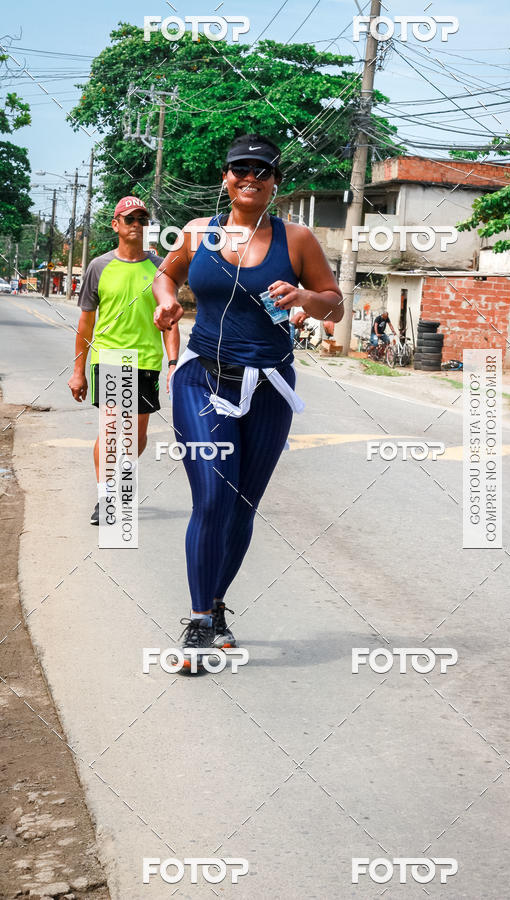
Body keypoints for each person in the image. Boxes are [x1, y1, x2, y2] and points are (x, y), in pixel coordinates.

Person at [152, 133, 343, 672]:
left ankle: (214, 604)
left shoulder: (298, 239)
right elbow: (166, 275)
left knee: (241, 504)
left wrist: (306, 298)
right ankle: (198, 624)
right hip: (202, 379)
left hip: (269, 388)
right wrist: (168, 301)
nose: (250, 177)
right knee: (212, 497)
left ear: (274, 180)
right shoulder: (196, 234)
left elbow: (335, 305)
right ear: (226, 178)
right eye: (240, 169)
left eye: (261, 170)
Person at [67, 196, 180, 525]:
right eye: (129, 219)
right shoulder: (98, 267)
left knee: (136, 436)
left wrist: (174, 364)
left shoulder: (162, 268)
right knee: (113, 427)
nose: (136, 224)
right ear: (115, 225)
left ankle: (115, 481)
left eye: (142, 219)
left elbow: (171, 321)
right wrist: (79, 371)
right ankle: (106, 497)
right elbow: (85, 324)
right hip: (110, 356)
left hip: (147, 360)